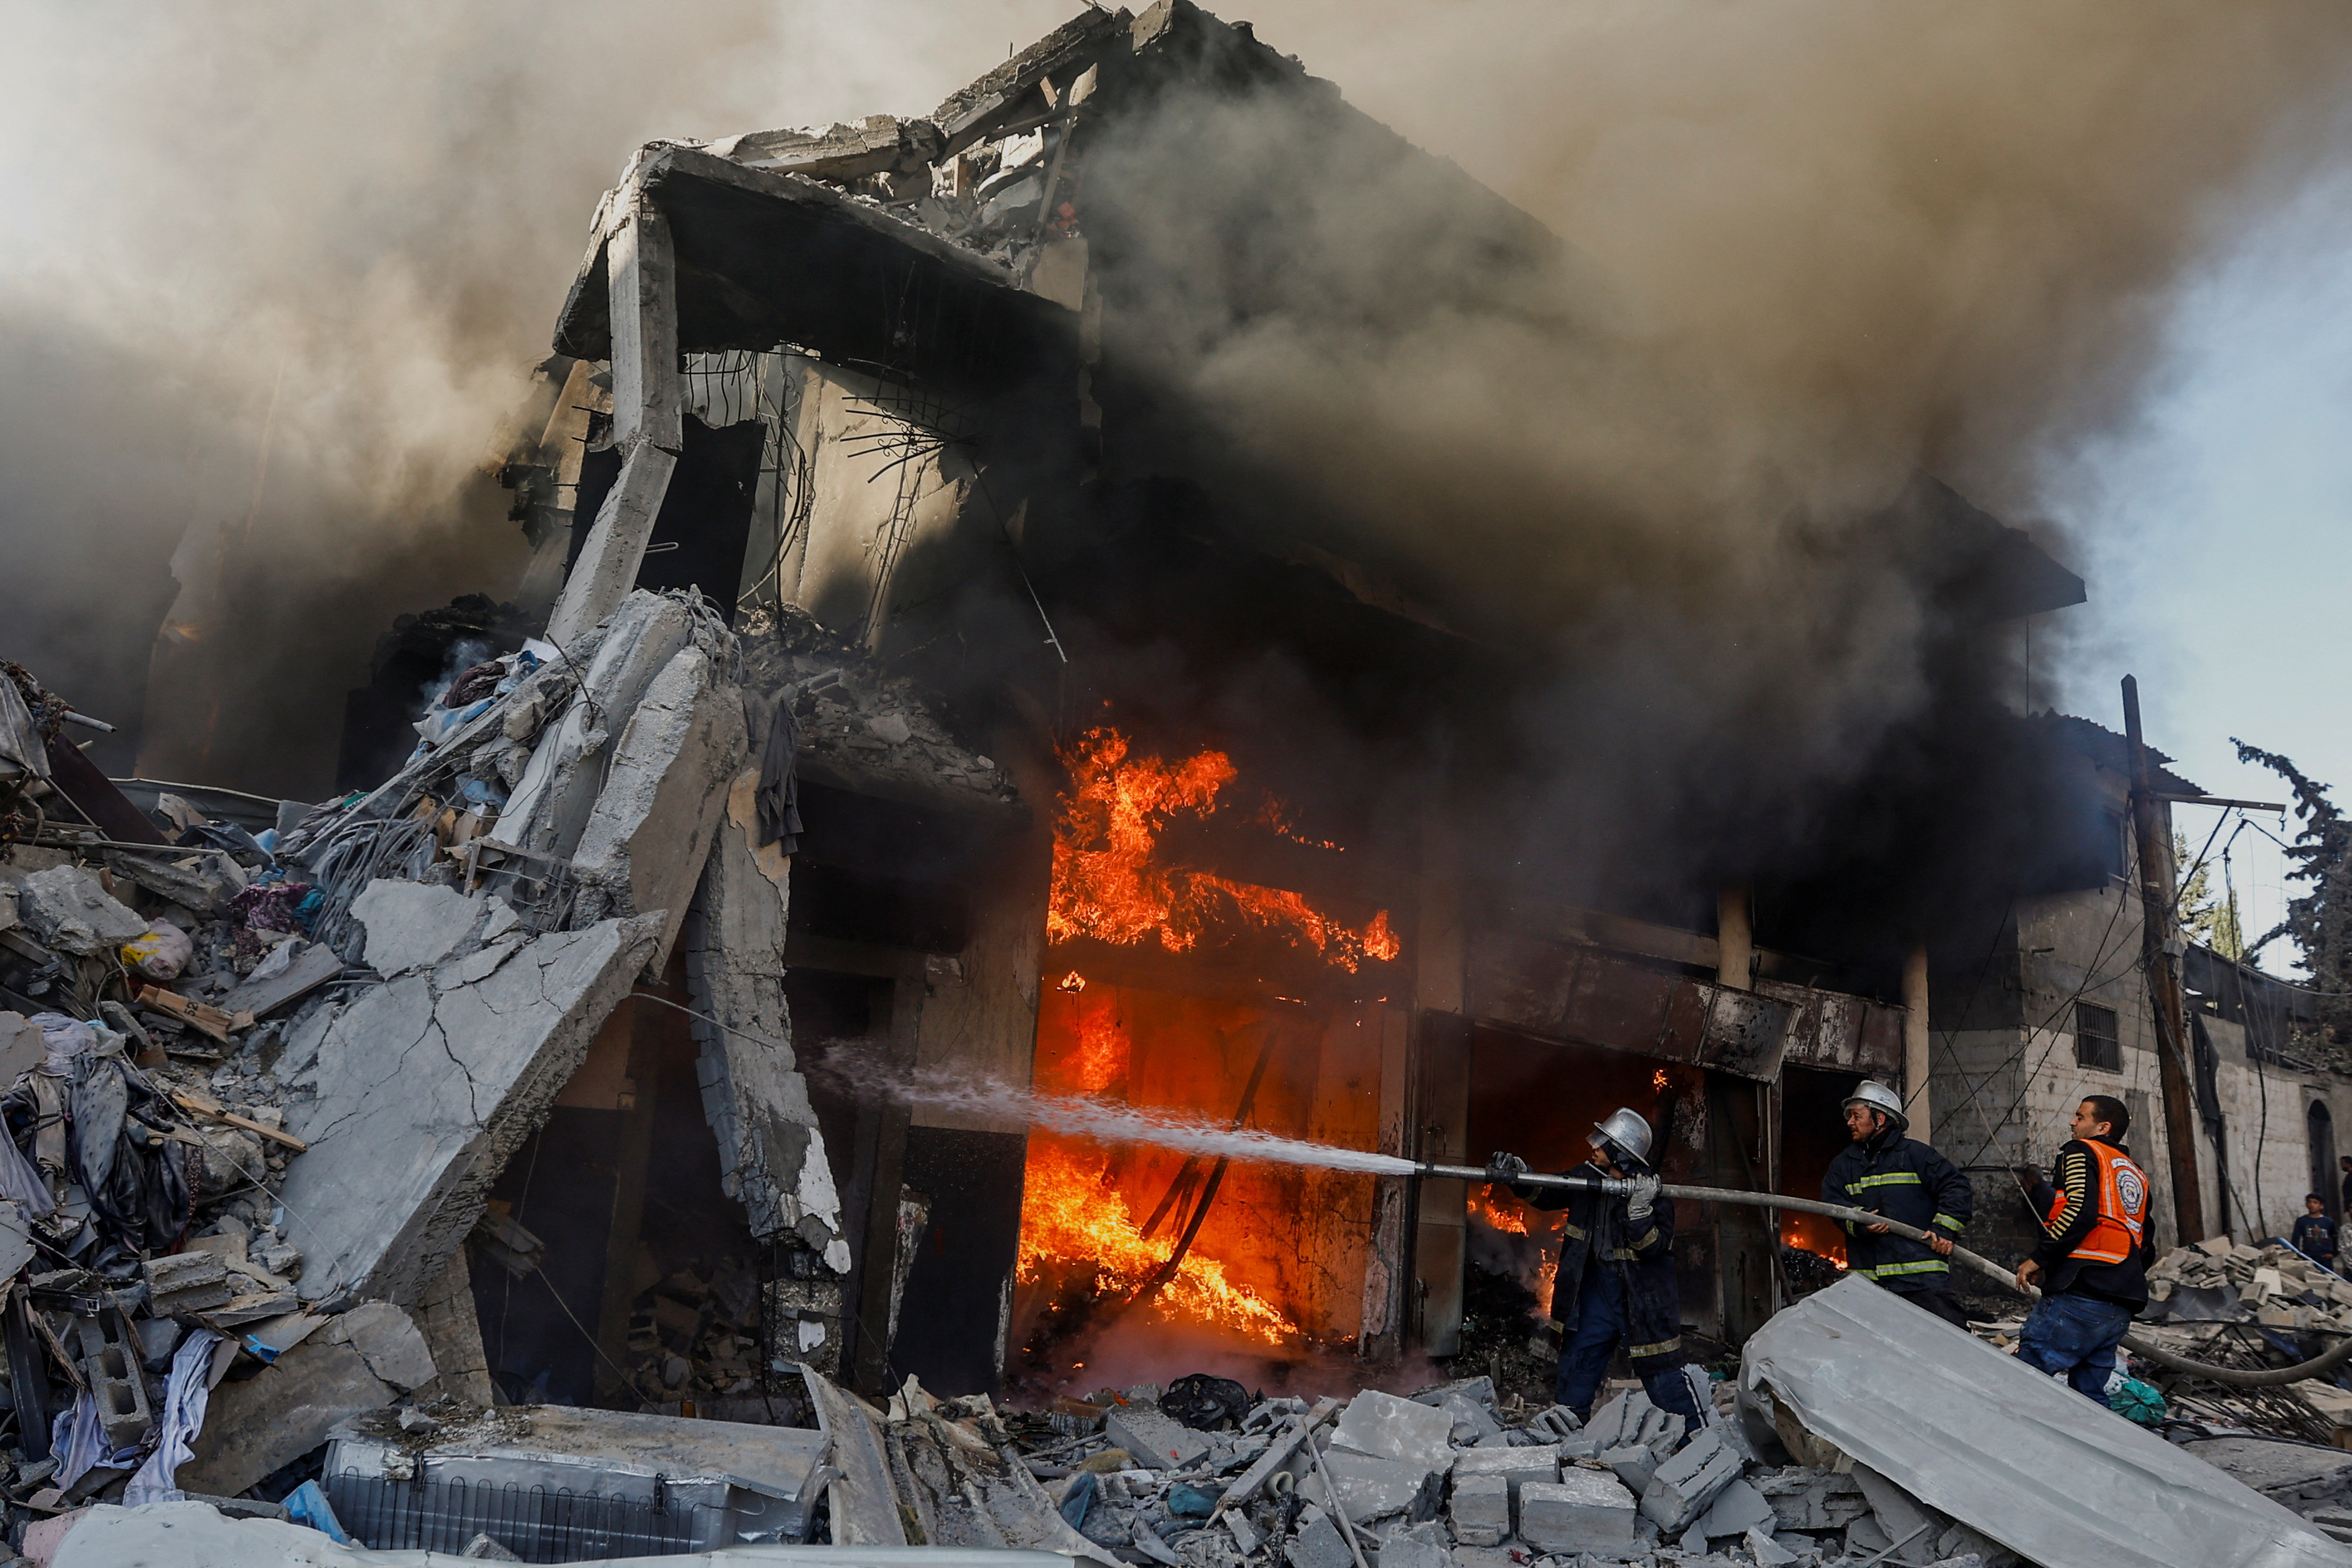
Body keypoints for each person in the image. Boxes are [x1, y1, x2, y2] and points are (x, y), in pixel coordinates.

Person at [1488, 1108, 1704, 1435]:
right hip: (1594, 1295)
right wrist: (1519, 1176)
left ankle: (1697, 1445)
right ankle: (1569, 1448)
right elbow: (1547, 1193)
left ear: (1621, 1152)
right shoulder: (1585, 1176)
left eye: (1604, 1142)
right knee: (1577, 1369)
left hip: (1640, 1301)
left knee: (1663, 1377)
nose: (1595, 1146)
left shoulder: (1652, 1194)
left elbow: (1652, 1249)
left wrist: (1640, 1210)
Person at [2013, 1094, 2153, 1402]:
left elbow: (2078, 1210)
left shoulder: (2080, 1151)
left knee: (2021, 1381)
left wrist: (2039, 1259)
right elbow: (2147, 1242)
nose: (2072, 1123)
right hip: (2120, 1304)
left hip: (2081, 1294)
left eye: (2081, 1117)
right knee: (2090, 1398)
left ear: (2103, 1127)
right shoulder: (2134, 1172)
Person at [1821, 1079, 1975, 1329]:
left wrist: (1945, 1231)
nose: (1850, 1122)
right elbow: (1832, 1205)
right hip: (1869, 1285)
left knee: (1947, 1345)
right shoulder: (1843, 1165)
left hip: (1921, 1282)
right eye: (1850, 1116)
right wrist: (1861, 1223)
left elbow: (1957, 1188)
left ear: (1880, 1119)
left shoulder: (1917, 1155)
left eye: (1857, 1116)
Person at [2292, 1194, 2339, 1266]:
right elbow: (2295, 1239)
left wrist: (2334, 1253)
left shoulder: (2328, 1222)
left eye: (2315, 1203)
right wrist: (2298, 1254)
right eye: (2309, 1202)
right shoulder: (2302, 1221)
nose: (2312, 1205)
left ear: (2321, 1206)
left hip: (2325, 1258)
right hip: (2308, 1258)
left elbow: (2335, 1237)